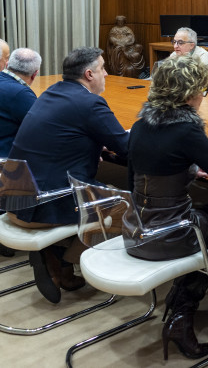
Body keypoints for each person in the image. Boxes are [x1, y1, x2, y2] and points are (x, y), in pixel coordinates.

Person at [127, 55, 208, 360]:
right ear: (188, 93)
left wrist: (187, 171)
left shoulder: (139, 125)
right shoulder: (187, 130)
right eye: (202, 90)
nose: (204, 96)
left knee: (205, 211)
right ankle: (182, 312)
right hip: (168, 235)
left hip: (136, 229)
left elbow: (134, 180)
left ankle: (178, 301)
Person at [8, 47, 129, 304]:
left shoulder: (50, 93)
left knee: (101, 186)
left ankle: (56, 258)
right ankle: (62, 258)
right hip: (41, 205)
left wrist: (94, 141)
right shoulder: (90, 103)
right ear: (89, 74)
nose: (106, 73)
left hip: (12, 198)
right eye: (102, 68)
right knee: (125, 206)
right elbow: (127, 149)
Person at [0, 48, 41, 157]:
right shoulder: (22, 94)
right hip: (7, 160)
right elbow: (40, 128)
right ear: (35, 74)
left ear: (7, 64)